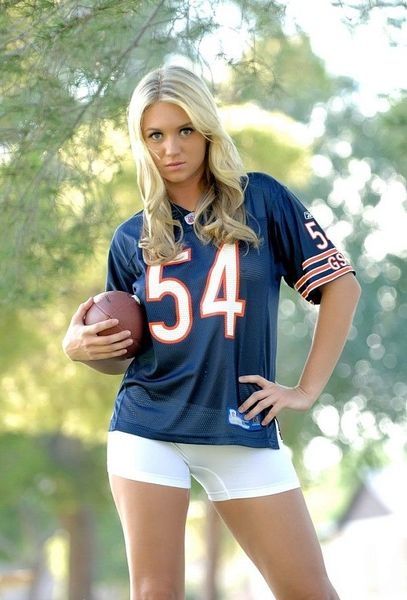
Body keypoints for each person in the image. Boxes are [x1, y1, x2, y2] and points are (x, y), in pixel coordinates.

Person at [62, 65, 361, 599]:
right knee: (156, 594)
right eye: (155, 135)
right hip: (147, 424)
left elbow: (341, 287)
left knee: (309, 591)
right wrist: (76, 344)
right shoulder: (131, 236)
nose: (171, 148)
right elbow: (119, 343)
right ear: (142, 142)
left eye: (183, 130)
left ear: (207, 131)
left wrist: (305, 390)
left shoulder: (263, 200)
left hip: (239, 422)